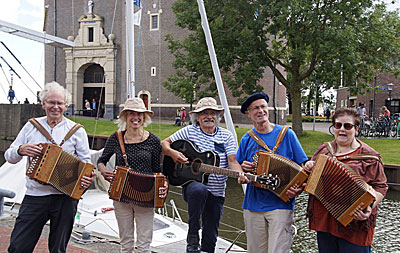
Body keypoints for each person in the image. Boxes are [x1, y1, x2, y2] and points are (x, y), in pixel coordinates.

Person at [4, 81, 94, 253]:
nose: (55, 107)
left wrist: (87, 177)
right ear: (43, 103)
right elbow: (9, 156)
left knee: (58, 249)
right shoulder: (31, 126)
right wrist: (21, 150)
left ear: (66, 105)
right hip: (35, 196)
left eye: (59, 103)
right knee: (18, 246)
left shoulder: (76, 131)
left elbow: (86, 163)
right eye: (51, 102)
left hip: (65, 198)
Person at [299, 107, 388, 252]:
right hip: (326, 222)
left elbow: (381, 187)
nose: (342, 130)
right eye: (338, 125)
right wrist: (308, 168)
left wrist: (369, 207)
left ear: (356, 129)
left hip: (355, 224)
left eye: (347, 126)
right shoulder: (325, 150)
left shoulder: (369, 157)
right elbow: (311, 180)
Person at [161, 97, 243, 253]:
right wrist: (173, 153)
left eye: (213, 113)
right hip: (192, 188)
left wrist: (240, 174)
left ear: (218, 116)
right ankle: (192, 234)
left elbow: (233, 161)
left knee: (210, 238)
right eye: (204, 113)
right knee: (200, 189)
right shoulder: (189, 131)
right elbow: (164, 144)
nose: (209, 116)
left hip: (217, 191)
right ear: (197, 117)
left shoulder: (226, 136)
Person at [236, 92, 308, 253]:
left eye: (263, 106)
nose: (261, 111)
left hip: (280, 204)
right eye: (256, 108)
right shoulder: (247, 139)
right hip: (253, 204)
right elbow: (237, 164)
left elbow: (304, 167)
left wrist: (299, 188)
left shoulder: (287, 134)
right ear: (248, 113)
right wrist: (242, 169)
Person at [97, 97, 168, 253]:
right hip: (121, 196)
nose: (135, 118)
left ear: (144, 117)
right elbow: (101, 161)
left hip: (145, 197)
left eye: (139, 114)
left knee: (144, 246)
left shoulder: (153, 141)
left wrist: (163, 185)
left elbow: (157, 170)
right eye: (131, 114)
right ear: (125, 117)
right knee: (126, 244)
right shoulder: (116, 138)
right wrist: (103, 171)